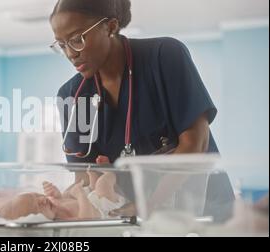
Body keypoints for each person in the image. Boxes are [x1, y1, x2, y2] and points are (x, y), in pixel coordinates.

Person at [50, 0, 235, 222]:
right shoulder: (71, 96)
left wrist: (149, 205)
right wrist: (61, 202)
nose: (71, 53)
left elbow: (195, 143)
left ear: (110, 27)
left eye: (77, 39)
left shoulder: (164, 55)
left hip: (204, 213)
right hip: (131, 219)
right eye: (62, 45)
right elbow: (83, 177)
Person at [0, 171, 127, 220]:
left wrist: (59, 196)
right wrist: (80, 195)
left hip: (92, 199)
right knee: (103, 184)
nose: (43, 199)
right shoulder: (62, 220)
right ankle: (112, 171)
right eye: (38, 206)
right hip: (105, 209)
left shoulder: (54, 205)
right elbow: (86, 218)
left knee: (86, 187)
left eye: (37, 195)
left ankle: (94, 177)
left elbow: (68, 199)